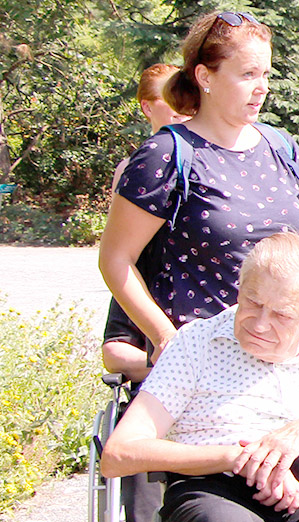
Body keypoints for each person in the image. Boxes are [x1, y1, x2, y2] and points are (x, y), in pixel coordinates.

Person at [99, 233, 299, 521]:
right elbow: (119, 455)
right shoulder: (195, 342)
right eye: (252, 303)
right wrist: (239, 458)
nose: (258, 324)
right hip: (215, 484)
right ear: (239, 290)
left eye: (281, 315)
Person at [98, 10, 299, 371]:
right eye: (248, 74)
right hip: (201, 368)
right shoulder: (167, 154)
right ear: (205, 76)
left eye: (266, 74)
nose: (262, 87)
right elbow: (116, 260)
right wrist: (164, 340)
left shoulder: (282, 147)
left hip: (285, 364)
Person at [100, 62, 193, 522]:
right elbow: (115, 351)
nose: (182, 113)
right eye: (169, 104)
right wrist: (174, 361)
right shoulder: (141, 167)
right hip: (158, 384)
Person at [101, 62, 192, 383]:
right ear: (147, 107)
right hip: (145, 271)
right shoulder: (132, 166)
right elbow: (119, 244)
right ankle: (183, 371)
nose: (182, 109)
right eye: (172, 101)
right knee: (116, 352)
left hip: (186, 277)